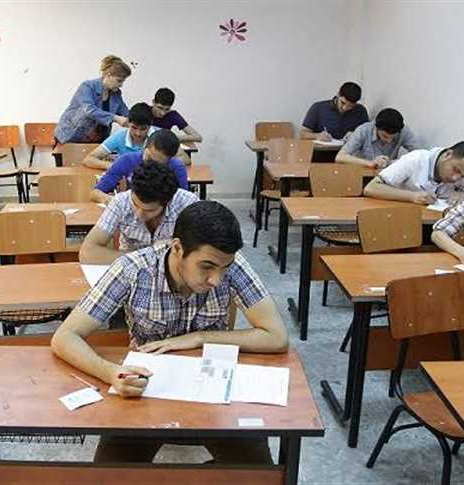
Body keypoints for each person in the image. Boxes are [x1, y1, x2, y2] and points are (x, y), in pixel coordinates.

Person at [51, 200, 288, 464]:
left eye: (225, 268)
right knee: (110, 474)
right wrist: (111, 373)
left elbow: (276, 336)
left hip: (212, 390)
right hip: (144, 390)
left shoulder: (230, 264)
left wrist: (199, 337)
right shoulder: (133, 269)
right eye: (206, 267)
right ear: (177, 248)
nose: (217, 279)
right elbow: (65, 337)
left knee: (258, 472)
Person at [80, 161, 198, 264]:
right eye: (135, 205)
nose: (139, 214)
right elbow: (87, 253)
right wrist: (149, 255)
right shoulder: (121, 202)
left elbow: (200, 252)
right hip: (130, 268)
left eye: (149, 210)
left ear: (168, 202)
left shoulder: (187, 203)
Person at [363, 141, 464, 205]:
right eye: (456, 170)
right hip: (399, 218)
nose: (455, 178)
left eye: (463, 176)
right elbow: (371, 188)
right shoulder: (415, 159)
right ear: (447, 154)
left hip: (437, 225)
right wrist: (412, 197)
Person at [90, 130, 188, 204]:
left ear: (170, 159)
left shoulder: (177, 168)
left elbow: (183, 201)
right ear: (145, 146)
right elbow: (95, 193)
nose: (150, 165)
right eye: (149, 158)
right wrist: (111, 200)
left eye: (157, 163)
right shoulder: (127, 160)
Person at [54, 55, 131, 144]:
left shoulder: (116, 94)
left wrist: (136, 119)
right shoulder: (87, 87)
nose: (121, 85)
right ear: (108, 75)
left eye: (123, 81)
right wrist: (115, 118)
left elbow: (125, 112)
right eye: (119, 81)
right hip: (70, 137)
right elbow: (89, 110)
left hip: (96, 140)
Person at [335, 108, 421, 168]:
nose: (389, 141)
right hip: (362, 174)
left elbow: (420, 155)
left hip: (387, 176)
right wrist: (371, 163)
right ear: (376, 127)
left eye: (393, 138)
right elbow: (340, 157)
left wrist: (394, 162)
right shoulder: (364, 130)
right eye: (385, 136)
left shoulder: (403, 130)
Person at [82, 103, 157, 170]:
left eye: (143, 129)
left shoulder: (159, 137)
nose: (138, 133)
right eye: (134, 128)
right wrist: (114, 166)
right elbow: (88, 159)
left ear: (150, 125)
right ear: (128, 123)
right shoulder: (120, 136)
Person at [300, 81, 369, 141]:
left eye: (350, 106)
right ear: (338, 94)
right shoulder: (318, 108)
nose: (345, 108)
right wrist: (317, 136)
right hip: (323, 150)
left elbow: (368, 134)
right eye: (343, 103)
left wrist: (355, 135)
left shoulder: (360, 111)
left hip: (349, 151)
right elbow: (302, 134)